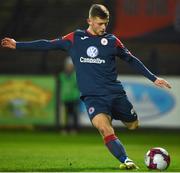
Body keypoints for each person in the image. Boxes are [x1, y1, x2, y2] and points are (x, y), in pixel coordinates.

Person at [1, 4, 171, 170]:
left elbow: (131, 59)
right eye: (100, 23)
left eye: (106, 23)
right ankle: (126, 160)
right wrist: (18, 45)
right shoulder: (75, 38)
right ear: (89, 20)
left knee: (133, 125)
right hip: (93, 98)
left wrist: (153, 78)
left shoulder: (112, 41)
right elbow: (48, 44)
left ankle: (117, 117)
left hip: (115, 94)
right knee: (104, 128)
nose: (103, 27)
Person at [59, 57, 80, 133]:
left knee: (74, 115)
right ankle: (64, 129)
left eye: (70, 65)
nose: (69, 67)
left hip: (74, 98)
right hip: (65, 98)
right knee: (65, 116)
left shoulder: (76, 75)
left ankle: (74, 129)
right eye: (68, 65)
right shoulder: (61, 75)